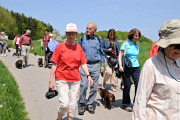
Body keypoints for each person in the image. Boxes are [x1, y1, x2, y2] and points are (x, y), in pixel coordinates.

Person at [133, 19, 180, 120]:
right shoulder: (151, 66)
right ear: (165, 44)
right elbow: (140, 103)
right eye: (176, 45)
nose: (179, 50)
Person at [48, 23, 93, 120]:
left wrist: (88, 76)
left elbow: (83, 64)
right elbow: (54, 64)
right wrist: (51, 80)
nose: (71, 36)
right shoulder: (60, 47)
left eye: (73, 34)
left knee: (72, 105)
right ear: (66, 34)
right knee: (65, 104)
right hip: (62, 78)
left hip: (75, 79)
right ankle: (59, 119)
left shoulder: (79, 48)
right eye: (69, 34)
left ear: (76, 34)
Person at [78, 22, 105, 115]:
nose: (87, 30)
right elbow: (78, 52)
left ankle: (89, 104)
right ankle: (81, 103)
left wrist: (102, 65)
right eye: (86, 28)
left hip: (96, 65)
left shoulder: (98, 39)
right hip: (84, 65)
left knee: (94, 86)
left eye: (89, 28)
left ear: (94, 30)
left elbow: (102, 53)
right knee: (84, 85)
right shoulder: (81, 39)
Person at [118, 28, 141, 112]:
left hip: (136, 67)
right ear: (131, 35)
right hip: (127, 67)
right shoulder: (126, 44)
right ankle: (126, 104)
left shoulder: (136, 45)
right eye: (136, 35)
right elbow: (120, 55)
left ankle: (136, 103)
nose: (137, 37)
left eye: (138, 36)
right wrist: (120, 66)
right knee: (127, 85)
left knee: (138, 84)